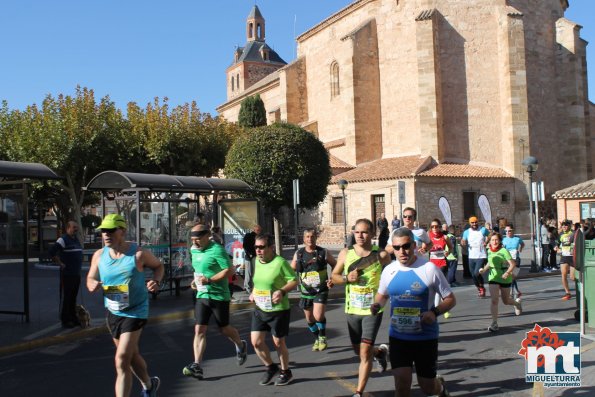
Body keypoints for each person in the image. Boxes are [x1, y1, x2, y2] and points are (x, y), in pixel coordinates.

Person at [372, 227, 455, 397]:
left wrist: (434, 312)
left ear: (414, 245)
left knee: (427, 387)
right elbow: (382, 296)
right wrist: (375, 305)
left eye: (406, 246)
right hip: (398, 337)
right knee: (402, 385)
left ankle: (440, 387)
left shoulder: (429, 269)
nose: (402, 251)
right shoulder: (389, 270)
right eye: (396, 248)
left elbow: (450, 299)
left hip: (425, 338)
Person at [86, 214, 164, 397]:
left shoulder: (138, 254)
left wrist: (156, 281)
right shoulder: (99, 255)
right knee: (132, 357)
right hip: (113, 311)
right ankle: (149, 384)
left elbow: (158, 266)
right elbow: (90, 277)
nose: (106, 234)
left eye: (111, 230)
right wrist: (91, 284)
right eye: (103, 231)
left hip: (136, 311)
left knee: (121, 359)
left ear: (122, 231)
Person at [331, 218, 392, 397]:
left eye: (364, 232)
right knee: (358, 350)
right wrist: (345, 279)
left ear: (372, 234)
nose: (360, 236)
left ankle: (358, 392)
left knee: (364, 352)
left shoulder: (381, 255)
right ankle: (380, 352)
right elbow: (334, 276)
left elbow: (391, 277)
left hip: (372, 310)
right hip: (352, 310)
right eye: (357, 232)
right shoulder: (345, 253)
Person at [182, 225, 248, 380]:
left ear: (207, 236)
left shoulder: (216, 250)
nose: (195, 243)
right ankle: (197, 364)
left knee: (224, 329)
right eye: (193, 240)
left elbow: (229, 270)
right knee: (199, 329)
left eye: (197, 239)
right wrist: (195, 280)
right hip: (202, 294)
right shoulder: (194, 250)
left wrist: (209, 279)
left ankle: (240, 344)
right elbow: (199, 269)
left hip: (219, 295)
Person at [249, 233, 297, 386]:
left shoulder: (280, 262)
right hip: (260, 307)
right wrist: (253, 292)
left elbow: (294, 281)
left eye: (262, 247)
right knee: (256, 342)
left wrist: (282, 291)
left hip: (278, 309)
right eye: (256, 247)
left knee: (278, 342)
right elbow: (258, 281)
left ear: (271, 247)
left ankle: (285, 371)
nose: (258, 250)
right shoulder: (256, 261)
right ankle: (270, 367)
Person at [290, 228, 337, 351]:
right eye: (307, 237)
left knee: (318, 315)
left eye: (312, 236)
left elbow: (335, 265)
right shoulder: (298, 253)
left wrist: (332, 278)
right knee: (309, 319)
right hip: (305, 291)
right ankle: (316, 338)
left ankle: (322, 337)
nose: (310, 239)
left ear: (316, 238)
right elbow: (290, 271)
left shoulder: (323, 252)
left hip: (321, 289)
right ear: (304, 239)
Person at [479, 232, 522, 332]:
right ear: (489, 241)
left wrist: (507, 273)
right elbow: (490, 262)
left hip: (504, 277)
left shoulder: (503, 251)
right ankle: (494, 323)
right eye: (492, 240)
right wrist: (484, 270)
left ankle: (516, 303)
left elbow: (512, 264)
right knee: (494, 300)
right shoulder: (488, 250)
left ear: (499, 240)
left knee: (506, 301)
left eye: (496, 240)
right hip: (493, 277)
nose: (494, 242)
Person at [50, 221, 83, 328]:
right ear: (68, 228)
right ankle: (65, 320)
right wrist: (60, 263)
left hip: (76, 274)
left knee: (73, 297)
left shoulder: (75, 239)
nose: (76, 229)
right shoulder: (63, 239)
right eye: (74, 227)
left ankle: (73, 317)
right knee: (67, 297)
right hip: (67, 274)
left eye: (77, 227)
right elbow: (51, 252)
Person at [461, 216, 489, 297]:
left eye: (475, 222)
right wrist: (463, 242)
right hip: (471, 256)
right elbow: (463, 240)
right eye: (472, 223)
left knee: (477, 273)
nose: (474, 224)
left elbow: (490, 235)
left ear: (478, 222)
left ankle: (482, 286)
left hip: (481, 255)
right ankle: (479, 288)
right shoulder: (467, 232)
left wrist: (486, 241)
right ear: (469, 223)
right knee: (472, 275)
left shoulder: (483, 229)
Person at [502, 225, 525, 299]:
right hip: (508, 260)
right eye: (506, 231)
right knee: (511, 277)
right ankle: (515, 292)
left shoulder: (517, 239)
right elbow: (502, 249)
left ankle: (515, 292)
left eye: (509, 231)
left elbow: (522, 244)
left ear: (513, 230)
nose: (508, 232)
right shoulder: (504, 240)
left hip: (516, 260)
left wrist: (520, 249)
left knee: (513, 277)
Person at [555, 220, 575, 300]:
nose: (564, 227)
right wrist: (556, 248)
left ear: (569, 226)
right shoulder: (561, 234)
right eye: (563, 225)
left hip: (572, 256)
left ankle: (581, 289)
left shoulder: (573, 233)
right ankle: (568, 293)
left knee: (573, 277)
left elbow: (576, 244)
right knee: (563, 275)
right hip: (564, 256)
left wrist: (571, 249)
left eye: (566, 225)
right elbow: (557, 243)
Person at [243, 224, 261, 293]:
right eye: (258, 230)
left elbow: (245, 245)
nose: (259, 232)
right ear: (254, 230)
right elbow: (245, 246)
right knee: (250, 272)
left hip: (252, 256)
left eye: (259, 230)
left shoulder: (256, 237)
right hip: (251, 256)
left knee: (250, 272)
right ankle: (248, 287)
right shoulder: (251, 236)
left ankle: (249, 287)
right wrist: (250, 254)